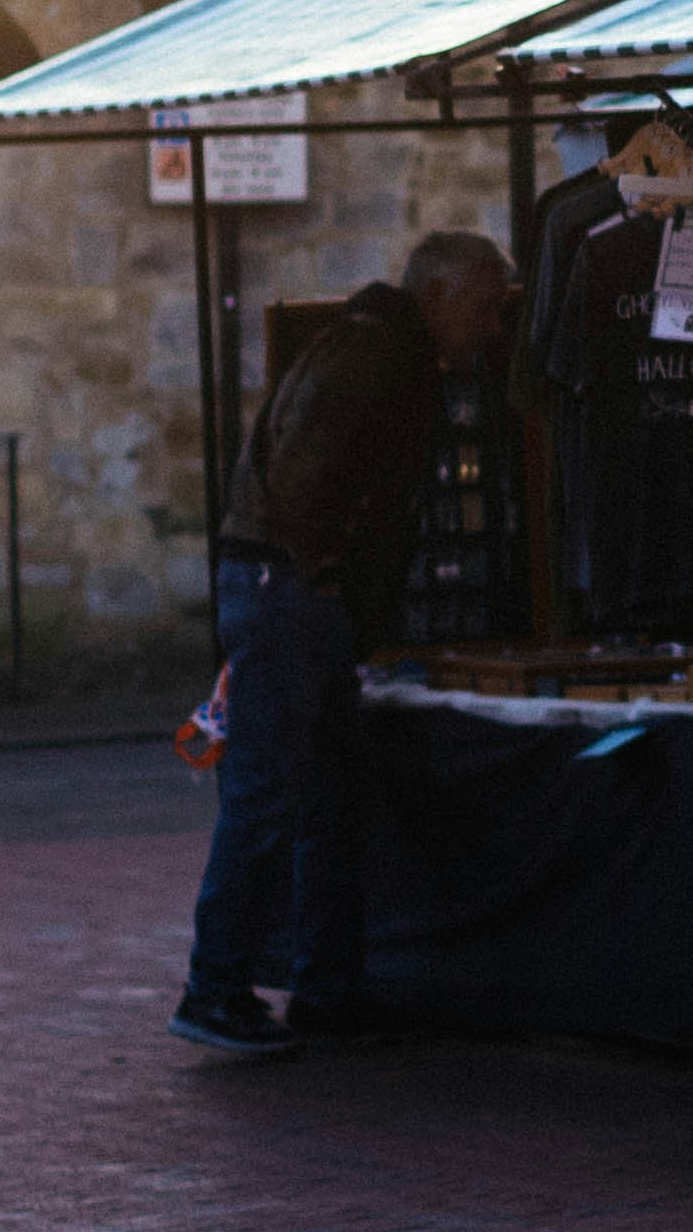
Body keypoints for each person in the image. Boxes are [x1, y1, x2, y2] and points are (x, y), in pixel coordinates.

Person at [184, 225, 515, 1052]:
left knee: (325, 798)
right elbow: (304, 473)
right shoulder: (377, 358)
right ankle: (215, 988)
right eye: (486, 307)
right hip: (289, 591)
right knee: (268, 796)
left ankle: (323, 987)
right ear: (439, 295)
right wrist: (322, 571)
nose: (494, 329)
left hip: (291, 591)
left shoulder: (376, 350)